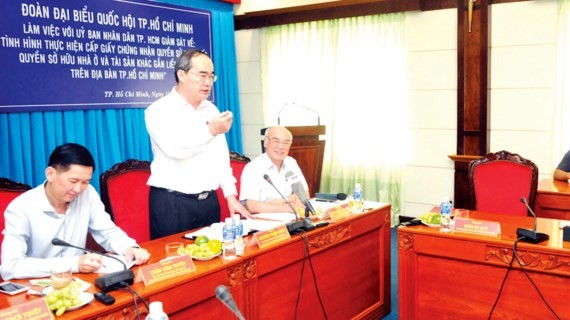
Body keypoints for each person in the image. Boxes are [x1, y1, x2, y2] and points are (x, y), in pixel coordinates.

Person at [0, 143, 150, 280]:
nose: (78, 189)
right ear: (50, 174)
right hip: (36, 288)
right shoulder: (21, 208)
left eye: (85, 182)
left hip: (78, 284)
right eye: (73, 181)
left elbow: (107, 232)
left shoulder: (88, 193)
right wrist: (74, 264)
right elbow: (10, 267)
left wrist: (129, 247)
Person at [145, 49, 251, 240]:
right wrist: (210, 130)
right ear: (181, 75)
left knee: (213, 261)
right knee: (176, 263)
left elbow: (220, 156)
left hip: (208, 202)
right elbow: (175, 149)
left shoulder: (211, 109)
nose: (208, 82)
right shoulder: (159, 110)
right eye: (202, 75)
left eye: (211, 76)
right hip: (173, 203)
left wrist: (230, 195)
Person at [239, 126, 309, 214]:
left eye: (286, 142)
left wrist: (269, 205)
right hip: (264, 222)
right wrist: (288, 204)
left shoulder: (291, 163)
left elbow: (304, 194)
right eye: (276, 141)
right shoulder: (253, 168)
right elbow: (251, 206)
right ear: (265, 142)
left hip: (291, 219)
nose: (280, 146)